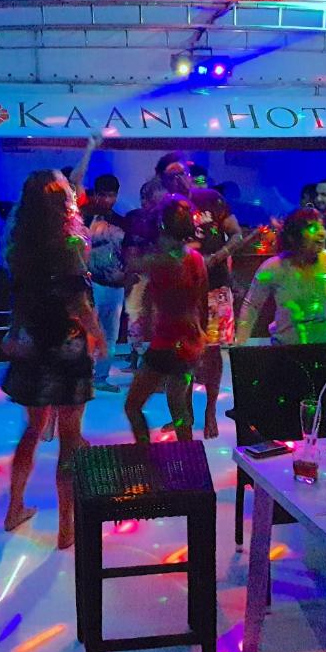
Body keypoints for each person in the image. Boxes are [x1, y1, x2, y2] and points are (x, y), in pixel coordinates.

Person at [1, 168, 106, 549]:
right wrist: (98, 333)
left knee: (32, 430)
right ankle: (66, 528)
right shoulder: (68, 244)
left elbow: (19, 297)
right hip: (66, 346)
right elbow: (77, 301)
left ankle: (14, 508)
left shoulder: (18, 244)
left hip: (32, 344)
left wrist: (14, 332)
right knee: (69, 437)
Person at [236, 208, 326, 384]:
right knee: (292, 399)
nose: (321, 233)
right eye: (311, 228)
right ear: (293, 237)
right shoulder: (274, 268)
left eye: (321, 226)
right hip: (288, 353)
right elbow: (252, 306)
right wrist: (240, 346)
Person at [161, 158, 247, 439]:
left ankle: (210, 411)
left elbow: (236, 235)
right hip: (183, 293)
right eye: (170, 177)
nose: (178, 180)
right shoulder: (165, 209)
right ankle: (184, 416)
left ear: (190, 175)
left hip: (216, 287)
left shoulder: (211, 198)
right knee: (183, 354)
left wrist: (217, 257)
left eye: (181, 174)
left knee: (212, 352)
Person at [124, 195, 208, 443]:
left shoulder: (158, 261)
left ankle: (145, 454)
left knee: (133, 406)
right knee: (179, 407)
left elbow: (131, 266)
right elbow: (202, 303)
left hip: (166, 342)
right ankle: (188, 457)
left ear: (161, 226)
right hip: (191, 341)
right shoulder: (196, 260)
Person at [82, 173, 128, 393]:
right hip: (89, 284)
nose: (108, 200)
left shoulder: (121, 222)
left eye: (111, 195)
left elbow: (127, 252)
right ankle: (83, 376)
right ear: (96, 194)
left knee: (110, 333)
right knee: (86, 330)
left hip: (114, 284)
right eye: (103, 195)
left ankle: (100, 376)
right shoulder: (84, 219)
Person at [122, 178, 169, 371]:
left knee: (152, 316)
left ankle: (151, 359)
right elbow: (129, 248)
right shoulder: (137, 218)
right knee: (135, 314)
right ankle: (137, 358)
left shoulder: (165, 218)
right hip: (142, 273)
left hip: (158, 273)